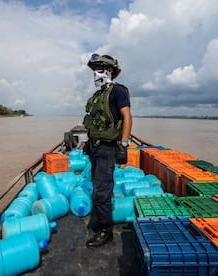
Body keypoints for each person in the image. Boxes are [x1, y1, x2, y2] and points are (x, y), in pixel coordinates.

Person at [83, 53, 132, 247]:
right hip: (95, 147)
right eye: (94, 69)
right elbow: (93, 122)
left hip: (108, 148)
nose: (95, 73)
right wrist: (88, 142)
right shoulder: (97, 95)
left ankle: (106, 230)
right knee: (96, 185)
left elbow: (127, 116)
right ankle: (99, 219)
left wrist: (124, 144)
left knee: (102, 190)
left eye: (99, 68)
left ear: (109, 70)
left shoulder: (118, 91)